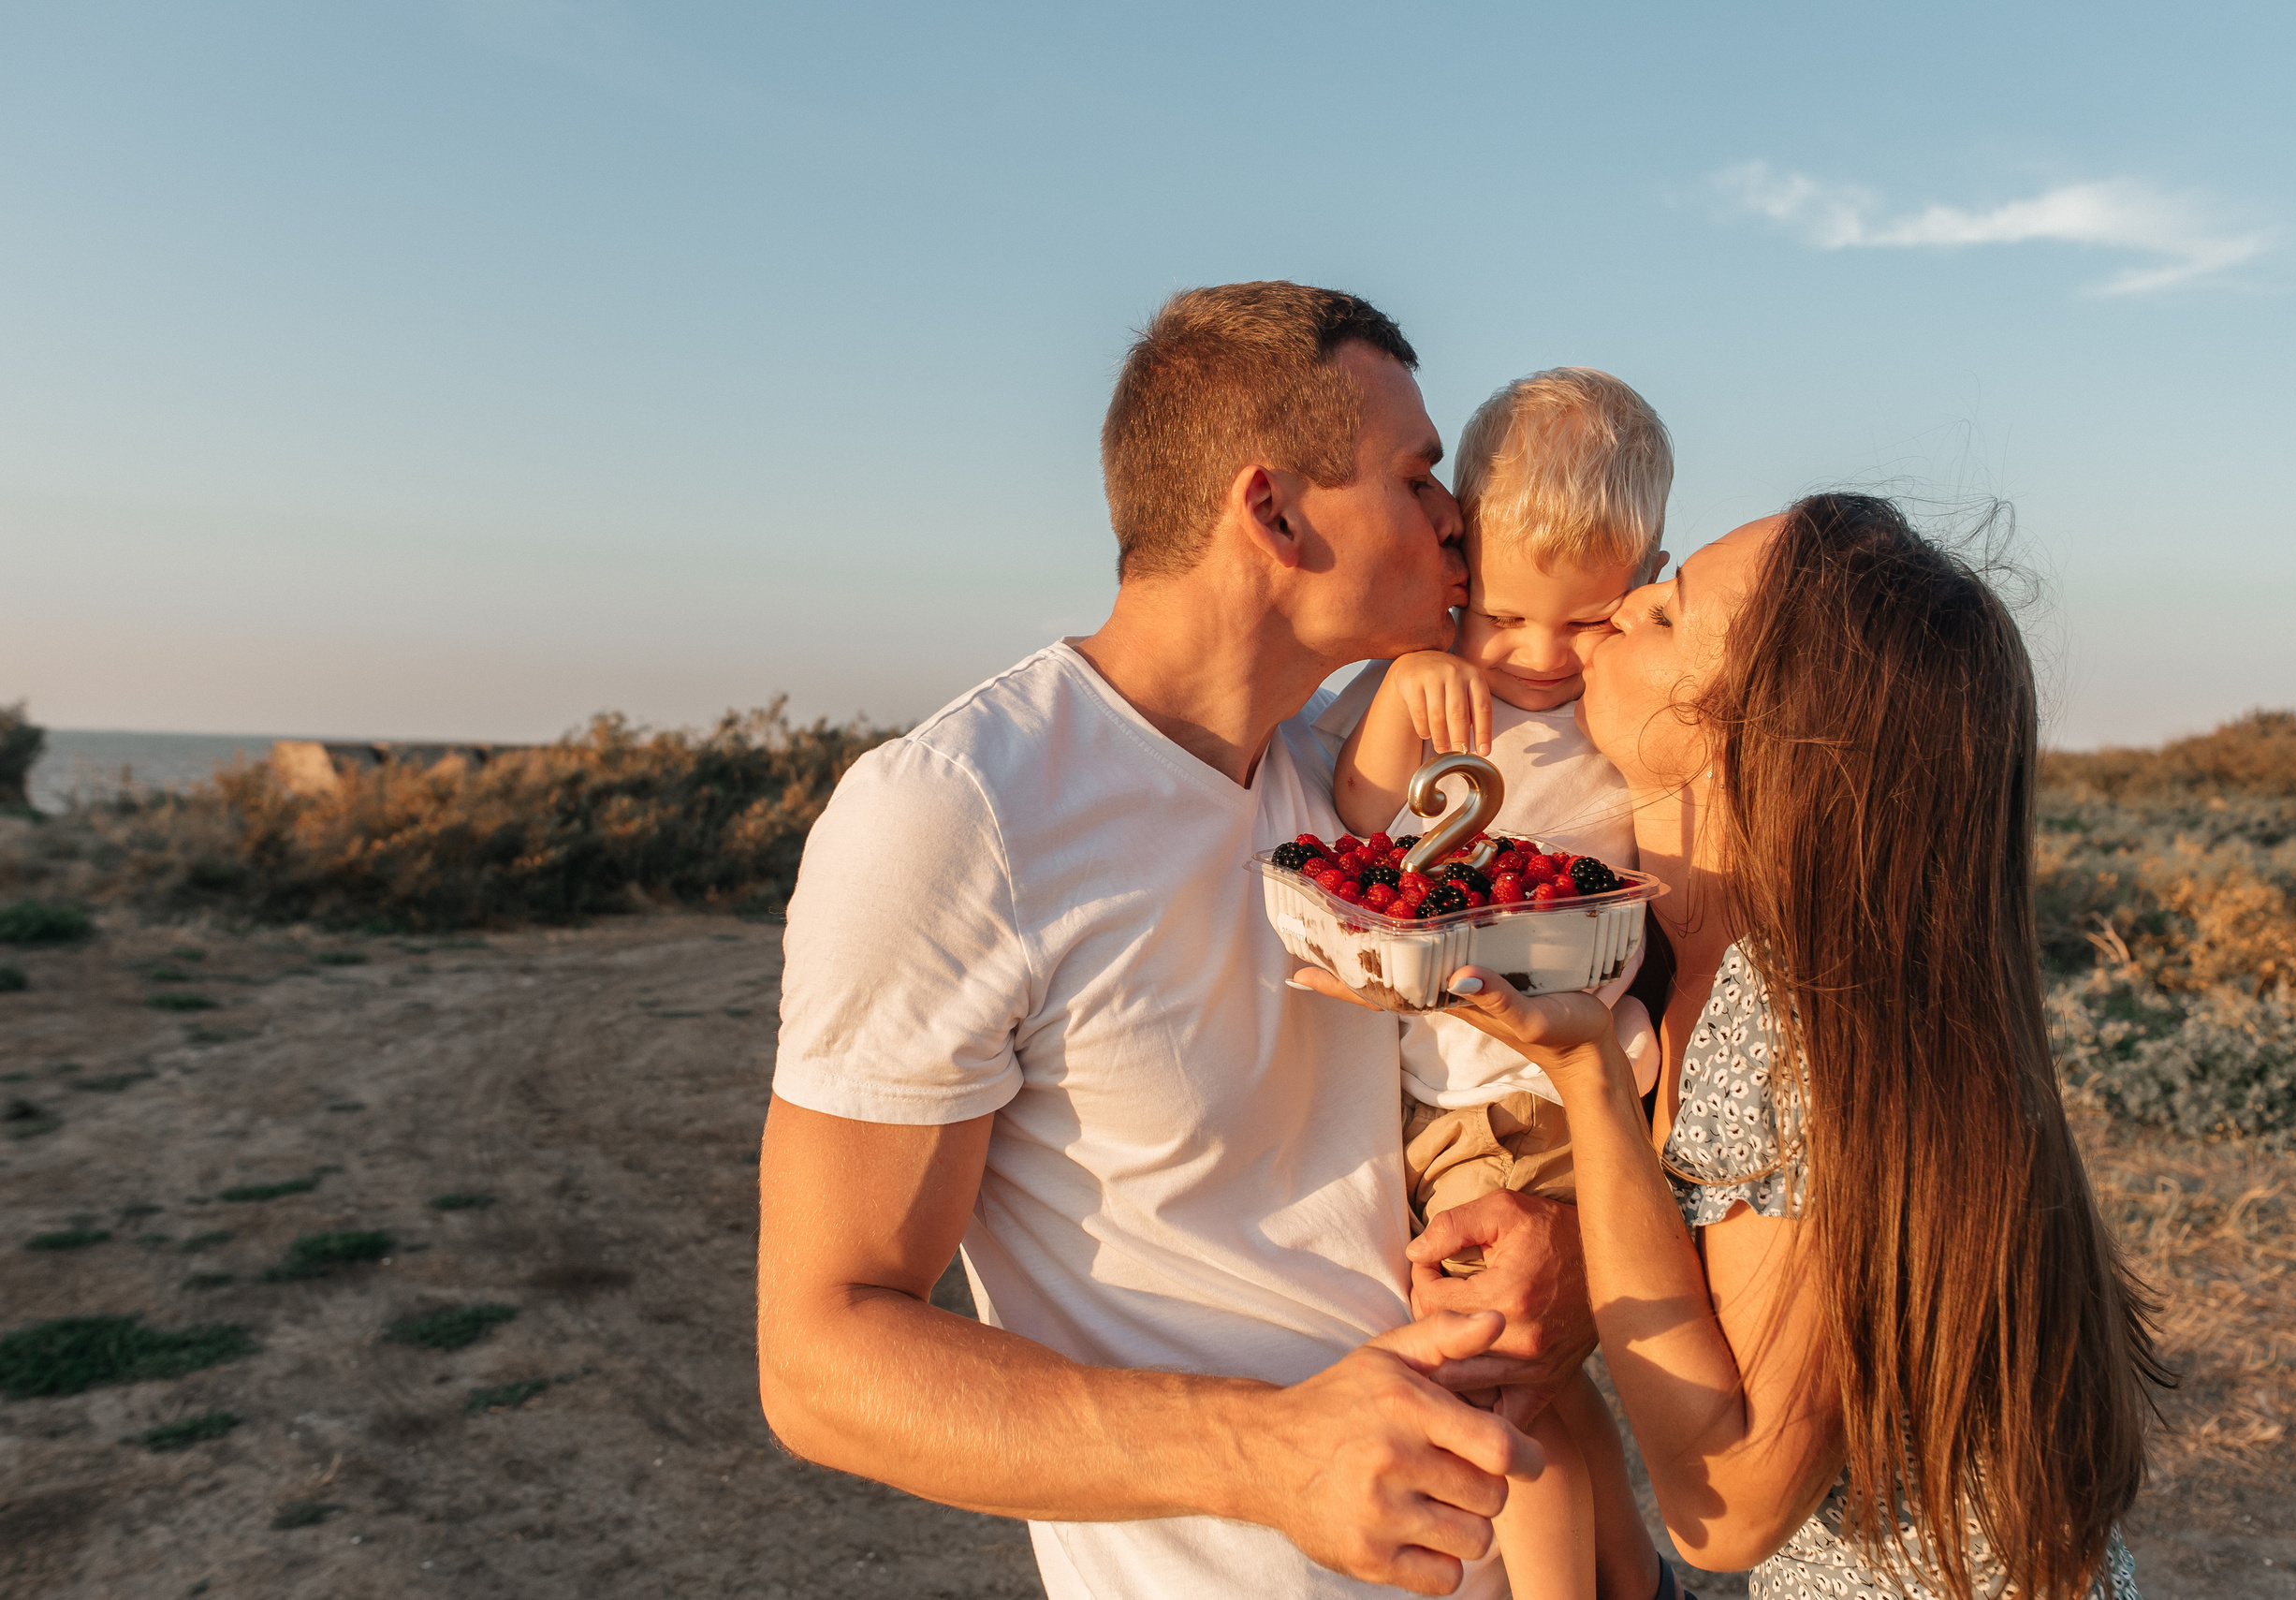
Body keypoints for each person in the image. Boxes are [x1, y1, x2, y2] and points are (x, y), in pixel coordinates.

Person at [755, 282, 1607, 1600]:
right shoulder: (961, 814)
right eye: (1420, 475)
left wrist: (1565, 1234)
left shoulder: (1353, 779)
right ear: (1272, 512)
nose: (1462, 520)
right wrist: (1266, 1455)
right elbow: (822, 1363)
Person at [1304, 494, 2164, 1596]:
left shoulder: (1793, 1003)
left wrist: (1586, 1078)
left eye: (1663, 614)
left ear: (1746, 723)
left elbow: (1729, 1506)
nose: (1620, 606)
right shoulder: (1673, 950)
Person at [1318, 367, 1675, 1600]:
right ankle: (1638, 1585)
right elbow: (1366, 828)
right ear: (1460, 556)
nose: (1535, 657)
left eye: (1584, 623)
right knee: (1549, 1394)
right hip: (1450, 1081)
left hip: (1538, 1086)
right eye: (1506, 616)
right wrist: (1397, 711)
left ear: (1644, 585)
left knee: (1502, 1394)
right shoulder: (1427, 690)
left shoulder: (1631, 707)